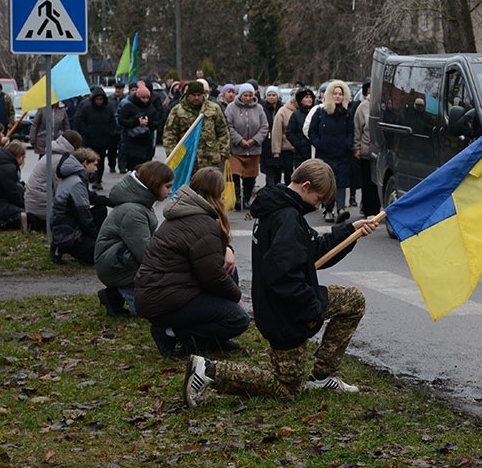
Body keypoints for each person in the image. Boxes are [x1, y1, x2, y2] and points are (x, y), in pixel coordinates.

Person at [182, 159, 377, 407]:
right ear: (306, 186)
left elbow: (312, 248)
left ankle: (322, 375)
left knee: (352, 300)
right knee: (286, 389)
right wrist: (310, 313)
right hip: (285, 311)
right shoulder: (286, 217)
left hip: (287, 301)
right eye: (319, 199)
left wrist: (350, 231)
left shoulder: (282, 207)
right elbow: (283, 277)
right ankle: (208, 371)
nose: (318, 206)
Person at [135, 167, 251, 357]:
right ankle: (172, 333)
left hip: (161, 292)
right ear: (217, 194)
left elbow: (210, 258)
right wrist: (236, 297)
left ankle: (212, 339)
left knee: (230, 270)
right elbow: (212, 276)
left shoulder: (187, 212)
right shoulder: (204, 223)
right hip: (164, 298)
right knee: (238, 319)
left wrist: (228, 249)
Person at [94, 160, 175, 318]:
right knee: (154, 312)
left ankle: (115, 294)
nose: (170, 191)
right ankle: (117, 291)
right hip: (116, 266)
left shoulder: (139, 204)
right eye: (167, 186)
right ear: (154, 184)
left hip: (119, 261)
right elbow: (145, 253)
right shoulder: (134, 212)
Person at [309, 80, 355, 223]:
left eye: (340, 94)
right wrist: (320, 144)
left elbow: (351, 132)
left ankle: (340, 208)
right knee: (327, 182)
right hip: (325, 154)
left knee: (341, 183)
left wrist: (348, 145)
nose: (337, 96)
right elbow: (312, 131)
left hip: (342, 155)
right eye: (335, 94)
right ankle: (328, 210)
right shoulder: (321, 112)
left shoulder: (347, 114)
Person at [51, 147, 107, 264]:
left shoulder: (73, 176)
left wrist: (112, 200)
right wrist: (96, 238)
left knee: (101, 210)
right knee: (97, 256)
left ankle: (63, 246)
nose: (96, 169)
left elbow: (91, 197)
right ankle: (64, 246)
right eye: (95, 165)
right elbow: (84, 216)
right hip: (68, 231)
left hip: (65, 225)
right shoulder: (77, 182)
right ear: (85, 163)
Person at [162, 80, 231, 173]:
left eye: (199, 95)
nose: (196, 98)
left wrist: (224, 151)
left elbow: (223, 131)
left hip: (210, 160)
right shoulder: (177, 111)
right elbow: (169, 135)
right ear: (187, 95)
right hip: (186, 160)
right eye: (193, 95)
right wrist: (173, 155)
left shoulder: (213, 108)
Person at [24, 129, 82, 232]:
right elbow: (60, 191)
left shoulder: (52, 155)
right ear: (75, 145)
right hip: (42, 208)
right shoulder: (58, 161)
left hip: (34, 204)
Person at [225, 82, 268, 210]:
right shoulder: (231, 108)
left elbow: (264, 126)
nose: (248, 98)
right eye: (245, 95)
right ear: (240, 95)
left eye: (250, 95)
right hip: (236, 150)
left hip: (253, 149)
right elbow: (229, 126)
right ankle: (237, 199)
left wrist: (254, 140)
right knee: (235, 175)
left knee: (250, 176)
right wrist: (240, 140)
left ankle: (246, 199)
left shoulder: (259, 108)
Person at [74, 86, 118, 190]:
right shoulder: (86, 107)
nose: (99, 102)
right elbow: (80, 120)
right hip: (89, 140)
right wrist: (86, 132)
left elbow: (113, 122)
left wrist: (109, 132)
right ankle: (89, 177)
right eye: (97, 99)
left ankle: (98, 180)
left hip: (102, 140)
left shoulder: (108, 108)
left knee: (100, 160)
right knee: (88, 160)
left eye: (101, 99)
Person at [353, 79, 381, 217]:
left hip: (382, 150)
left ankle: (379, 209)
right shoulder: (363, 106)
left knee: (380, 182)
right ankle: (369, 209)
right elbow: (357, 129)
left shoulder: (385, 104)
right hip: (366, 151)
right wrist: (357, 148)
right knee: (368, 182)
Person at [117, 81, 157, 171]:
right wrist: (136, 122)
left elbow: (156, 123)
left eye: (147, 98)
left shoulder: (151, 108)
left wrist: (148, 122)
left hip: (146, 142)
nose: (145, 100)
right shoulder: (128, 106)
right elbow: (121, 121)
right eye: (143, 97)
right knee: (134, 167)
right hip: (131, 141)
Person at [271, 89, 298, 185]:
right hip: (286, 148)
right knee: (288, 172)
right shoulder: (282, 112)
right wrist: (276, 153)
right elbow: (276, 132)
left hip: (300, 148)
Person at [286, 87, 316, 171]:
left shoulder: (316, 112)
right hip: (301, 153)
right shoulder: (296, 115)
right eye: (306, 97)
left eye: (311, 97)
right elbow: (289, 132)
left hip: (315, 151)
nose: (309, 99)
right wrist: (299, 144)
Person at [260, 86, 284, 187]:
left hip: (279, 142)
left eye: (274, 95)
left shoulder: (282, 109)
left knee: (278, 169)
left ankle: (276, 188)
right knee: (269, 170)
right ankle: (270, 188)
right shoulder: (262, 109)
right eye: (269, 95)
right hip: (266, 142)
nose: (271, 97)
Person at [109, 82, 126, 173]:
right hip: (112, 129)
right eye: (116, 89)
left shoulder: (126, 100)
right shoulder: (110, 99)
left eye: (120, 89)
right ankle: (112, 165)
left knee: (122, 149)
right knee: (112, 149)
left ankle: (122, 166)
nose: (118, 90)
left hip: (122, 128)